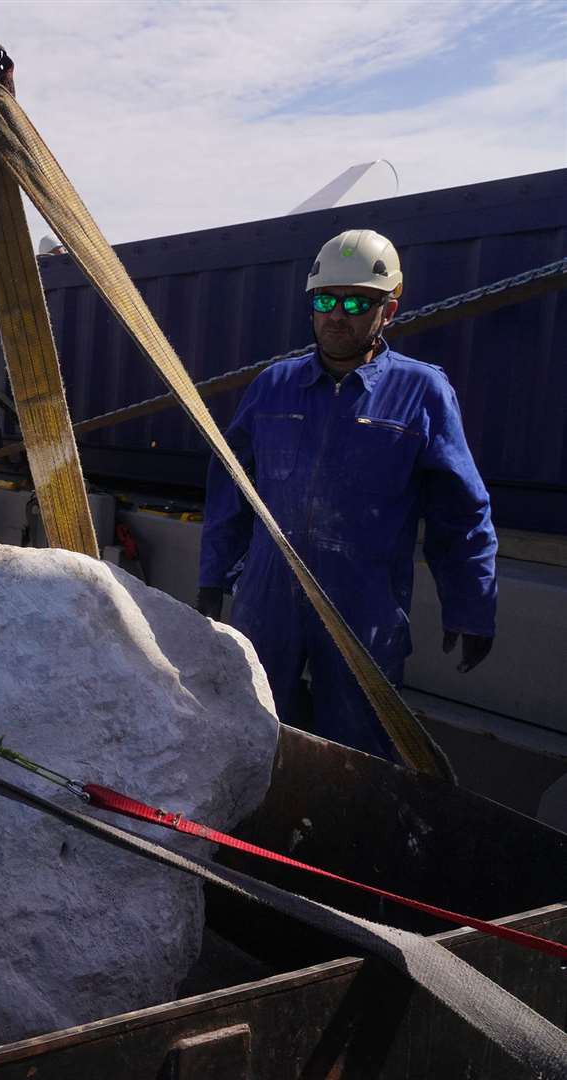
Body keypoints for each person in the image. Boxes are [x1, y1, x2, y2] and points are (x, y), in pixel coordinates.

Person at [197, 229, 497, 761]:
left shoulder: (421, 392)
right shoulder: (273, 386)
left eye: (357, 301)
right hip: (268, 597)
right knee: (249, 729)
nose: (337, 314)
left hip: (364, 606)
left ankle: (339, 840)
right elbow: (230, 486)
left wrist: (471, 605)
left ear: (389, 309)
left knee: (361, 747)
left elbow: (460, 510)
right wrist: (212, 575)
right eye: (325, 299)